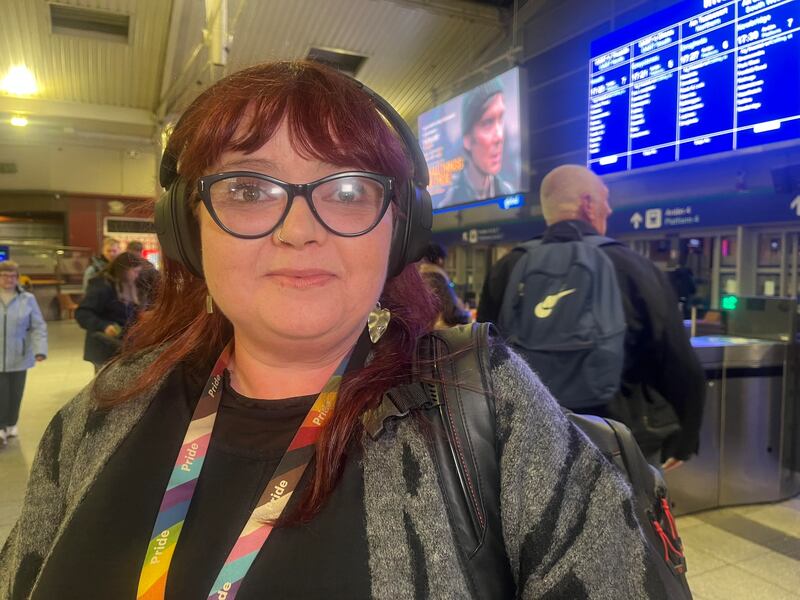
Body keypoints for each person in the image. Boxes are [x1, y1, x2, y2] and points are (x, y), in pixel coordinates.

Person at [0, 62, 667, 599]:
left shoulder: (493, 410)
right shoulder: (100, 414)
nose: (300, 230)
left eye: (348, 190)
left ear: (399, 226)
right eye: (248, 188)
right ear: (187, 226)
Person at [478, 164, 705, 470]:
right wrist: (685, 438)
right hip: (621, 442)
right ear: (587, 204)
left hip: (532, 442)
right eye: (605, 199)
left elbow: (484, 356)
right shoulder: (633, 267)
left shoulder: (507, 269)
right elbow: (677, 361)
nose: (609, 209)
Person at [439, 78, 514, 208]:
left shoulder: (508, 191)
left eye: (501, 118)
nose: (499, 136)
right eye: (488, 122)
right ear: (467, 139)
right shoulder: (448, 203)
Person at [0, 261, 47, 446]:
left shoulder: (27, 299)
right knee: (1, 392)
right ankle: (1, 427)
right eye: (4, 275)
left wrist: (40, 349)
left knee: (16, 392)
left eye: (12, 276)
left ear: (17, 278)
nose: (8, 279)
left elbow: (38, 326)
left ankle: (11, 423)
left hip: (19, 354)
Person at [76, 251, 148, 371]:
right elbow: (82, 313)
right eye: (135, 272)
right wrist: (104, 326)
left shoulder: (130, 285)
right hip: (103, 348)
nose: (137, 276)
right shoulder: (102, 287)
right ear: (124, 270)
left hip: (122, 348)